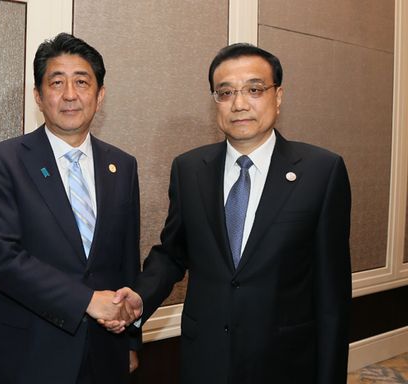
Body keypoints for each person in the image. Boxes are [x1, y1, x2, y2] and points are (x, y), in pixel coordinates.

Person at [106, 43, 352, 383]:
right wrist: (139, 297)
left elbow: (332, 296)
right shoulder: (189, 169)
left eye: (254, 89)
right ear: (215, 102)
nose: (239, 103)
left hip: (285, 361)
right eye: (225, 92)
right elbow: (174, 253)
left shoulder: (322, 171)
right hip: (206, 358)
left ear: (278, 96)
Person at [0, 32, 141, 384]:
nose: (70, 94)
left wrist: (130, 340)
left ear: (100, 95)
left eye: (82, 82)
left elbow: (127, 258)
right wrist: (86, 300)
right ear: (38, 95)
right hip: (32, 353)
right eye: (57, 82)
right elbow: (2, 259)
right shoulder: (4, 161)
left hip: (106, 351)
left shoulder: (122, 165)